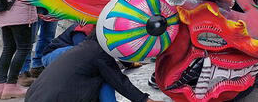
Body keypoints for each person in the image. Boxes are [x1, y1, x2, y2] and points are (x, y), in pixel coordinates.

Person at [25, 32, 162, 102]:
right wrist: (145, 100)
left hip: (34, 97)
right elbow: (120, 82)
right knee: (107, 80)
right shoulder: (99, 54)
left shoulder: (86, 48)